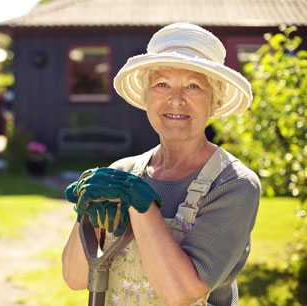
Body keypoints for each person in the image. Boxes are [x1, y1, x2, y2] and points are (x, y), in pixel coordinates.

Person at [62, 23, 261, 306]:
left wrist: (141, 208)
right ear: (146, 97)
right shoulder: (122, 172)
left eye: (193, 86)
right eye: (162, 84)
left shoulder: (233, 184)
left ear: (214, 101)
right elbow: (75, 278)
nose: (176, 99)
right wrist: (88, 218)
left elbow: (181, 292)